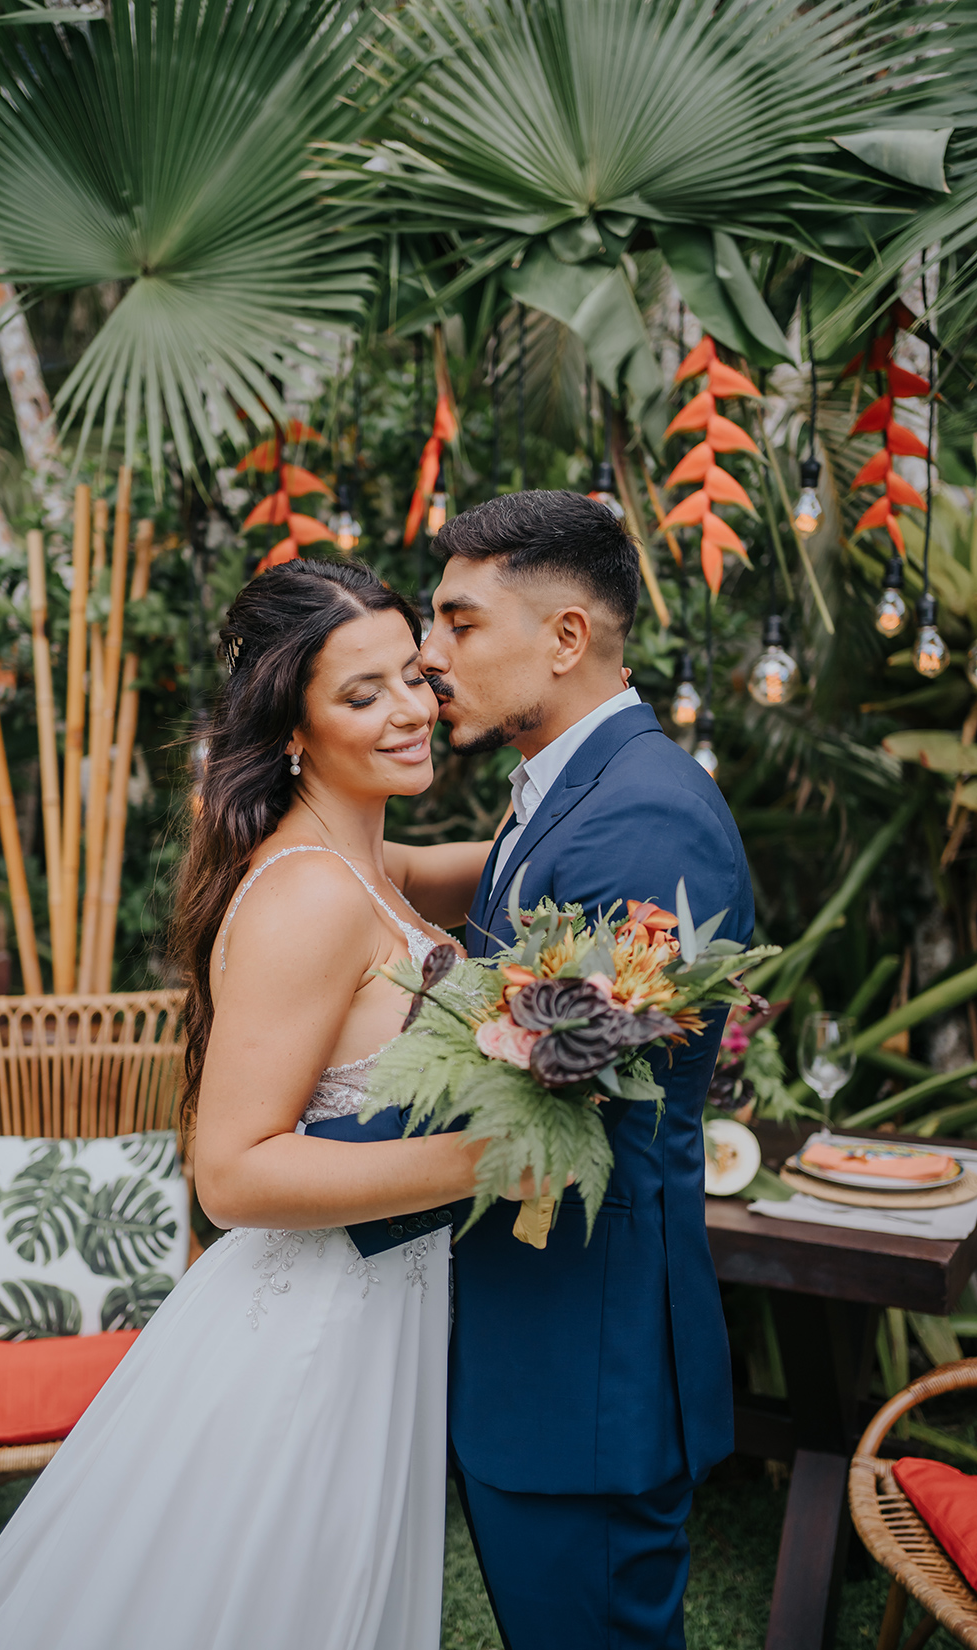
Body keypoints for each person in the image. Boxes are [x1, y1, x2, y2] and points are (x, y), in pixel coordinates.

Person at [0, 559, 497, 1650]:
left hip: (378, 1313)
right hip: (309, 1335)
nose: (412, 711)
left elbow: (460, 872)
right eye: (360, 695)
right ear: (292, 729)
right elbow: (229, 1174)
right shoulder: (314, 895)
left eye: (412, 676)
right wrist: (491, 1156)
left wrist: (576, 842)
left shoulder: (360, 860)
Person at [419, 490, 754, 1650]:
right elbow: (502, 885)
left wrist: (290, 1159)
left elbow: (556, 1087)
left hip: (582, 1368)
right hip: (545, 1354)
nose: (429, 656)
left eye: (458, 623)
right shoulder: (576, 789)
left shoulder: (644, 820)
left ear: (563, 637)